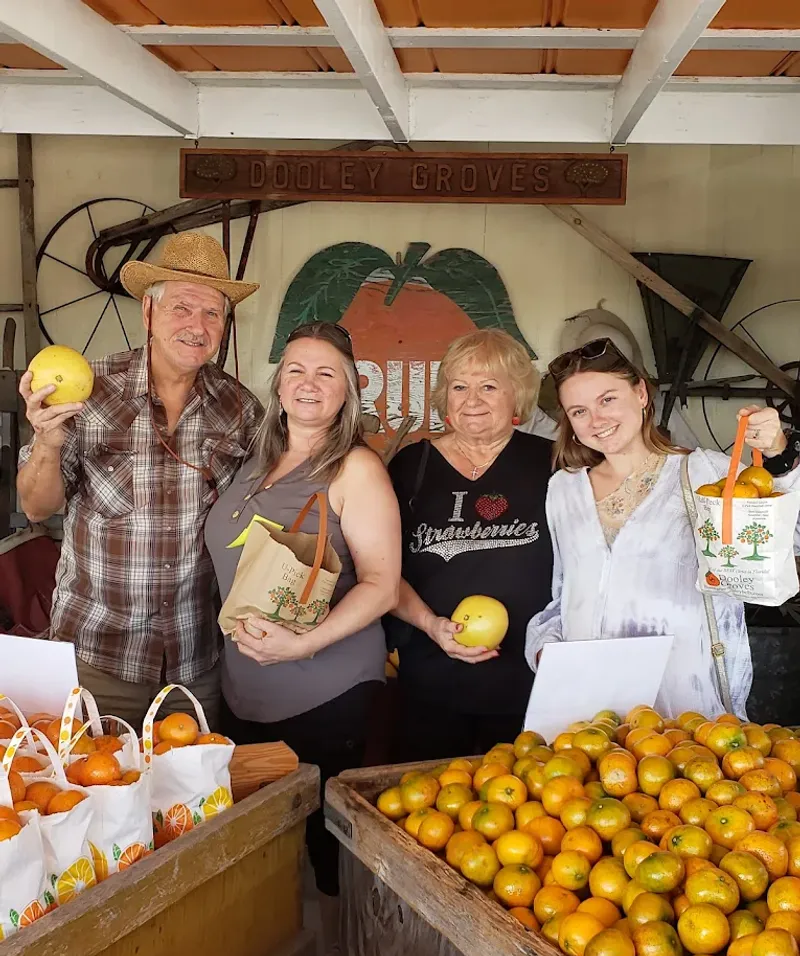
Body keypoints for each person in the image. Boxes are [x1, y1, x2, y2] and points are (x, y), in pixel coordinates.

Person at [17, 233, 263, 728]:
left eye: (213, 313)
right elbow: (36, 508)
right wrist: (46, 441)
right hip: (97, 661)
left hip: (195, 667)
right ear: (148, 314)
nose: (198, 326)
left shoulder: (241, 409)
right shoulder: (89, 390)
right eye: (182, 308)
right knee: (94, 794)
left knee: (193, 803)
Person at [205, 320, 400, 898]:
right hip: (242, 691)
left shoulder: (355, 469)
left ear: (347, 390)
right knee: (263, 853)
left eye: (325, 373)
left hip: (324, 694)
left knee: (323, 855)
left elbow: (383, 584)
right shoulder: (256, 464)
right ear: (279, 385)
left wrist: (302, 644)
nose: (308, 383)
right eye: (295, 370)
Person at [525, 337, 800, 719]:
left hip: (687, 701)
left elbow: (789, 536)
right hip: (591, 709)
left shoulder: (706, 474)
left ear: (640, 393)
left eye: (607, 400)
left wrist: (779, 455)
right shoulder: (563, 489)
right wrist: (547, 649)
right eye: (579, 411)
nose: (597, 421)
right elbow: (563, 596)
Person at [387, 329, 553, 760]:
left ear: (517, 396)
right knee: (427, 802)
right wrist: (430, 625)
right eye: (459, 386)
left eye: (489, 386)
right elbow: (382, 570)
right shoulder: (411, 465)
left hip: (530, 673)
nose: (472, 399)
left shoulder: (554, 462)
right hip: (432, 671)